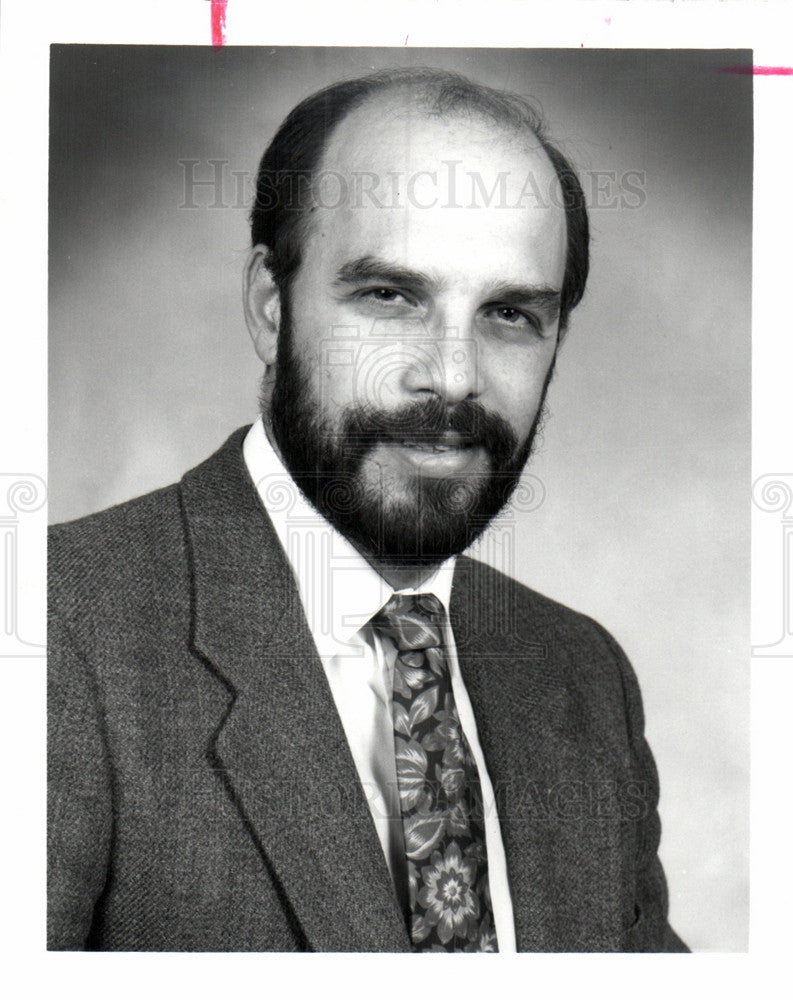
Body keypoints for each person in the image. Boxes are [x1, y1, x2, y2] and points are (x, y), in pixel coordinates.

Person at [47, 67, 688, 952]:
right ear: (271, 307)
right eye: (390, 297)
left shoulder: (581, 674)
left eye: (510, 314)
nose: (454, 376)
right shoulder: (53, 632)